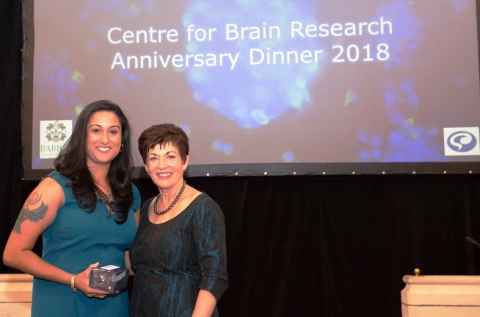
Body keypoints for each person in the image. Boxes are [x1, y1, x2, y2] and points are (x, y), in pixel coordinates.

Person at [3, 100, 141, 317]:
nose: (105, 139)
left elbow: (128, 256)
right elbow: (13, 254)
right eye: (96, 130)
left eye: (113, 132)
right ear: (82, 137)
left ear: (121, 141)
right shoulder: (53, 188)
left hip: (114, 308)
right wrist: (73, 280)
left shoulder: (131, 193)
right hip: (62, 304)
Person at [130, 123, 228, 317]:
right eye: (153, 158)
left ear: (185, 161)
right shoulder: (146, 207)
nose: (162, 165)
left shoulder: (203, 208)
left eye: (170, 156)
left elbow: (215, 277)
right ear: (147, 167)